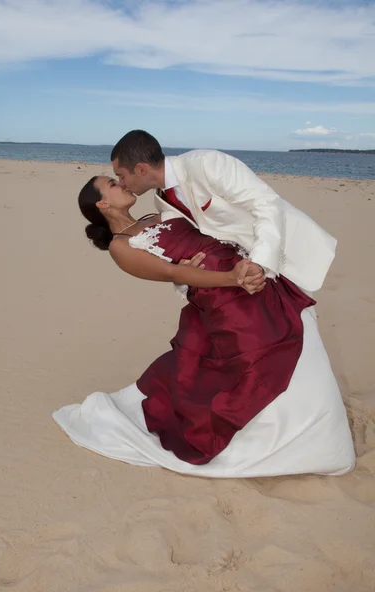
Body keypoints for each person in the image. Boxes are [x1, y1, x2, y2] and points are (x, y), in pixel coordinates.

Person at [52, 176, 355, 477]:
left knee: (300, 338)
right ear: (103, 203)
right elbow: (172, 273)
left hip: (251, 277)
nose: (122, 182)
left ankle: (316, 436)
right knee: (262, 361)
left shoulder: (154, 215)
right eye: (113, 183)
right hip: (225, 295)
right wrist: (231, 278)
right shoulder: (122, 246)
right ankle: (291, 444)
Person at [110, 130, 337, 296]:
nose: (122, 183)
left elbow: (266, 203)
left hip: (285, 252)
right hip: (245, 276)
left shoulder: (206, 163)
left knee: (302, 336)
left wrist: (258, 262)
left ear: (141, 169)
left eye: (121, 176)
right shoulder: (161, 200)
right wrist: (185, 274)